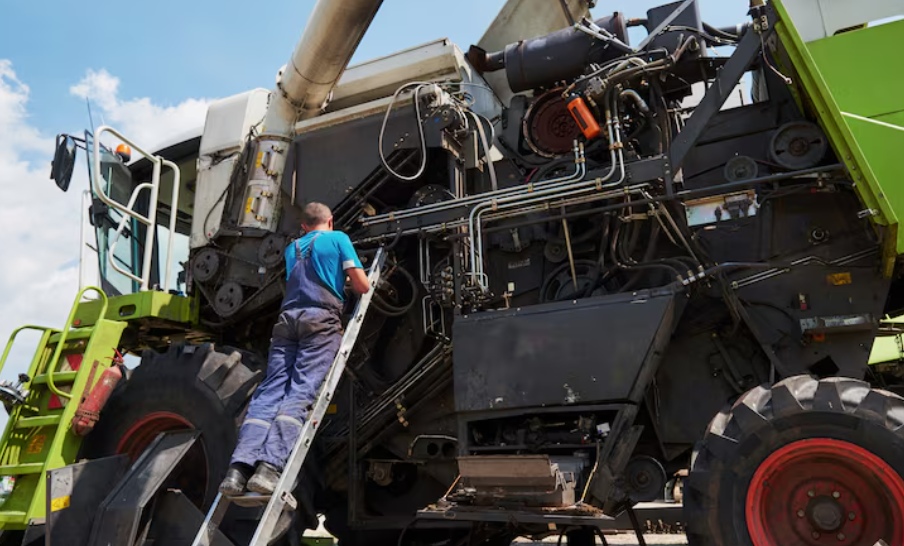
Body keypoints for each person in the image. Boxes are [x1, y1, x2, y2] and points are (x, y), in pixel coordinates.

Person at [219, 202, 370, 495]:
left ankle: (238, 471)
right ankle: (268, 468)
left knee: (270, 393)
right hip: (320, 321)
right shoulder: (338, 239)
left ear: (303, 227)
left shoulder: (293, 249)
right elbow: (362, 286)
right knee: (300, 392)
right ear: (331, 221)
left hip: (287, 322)